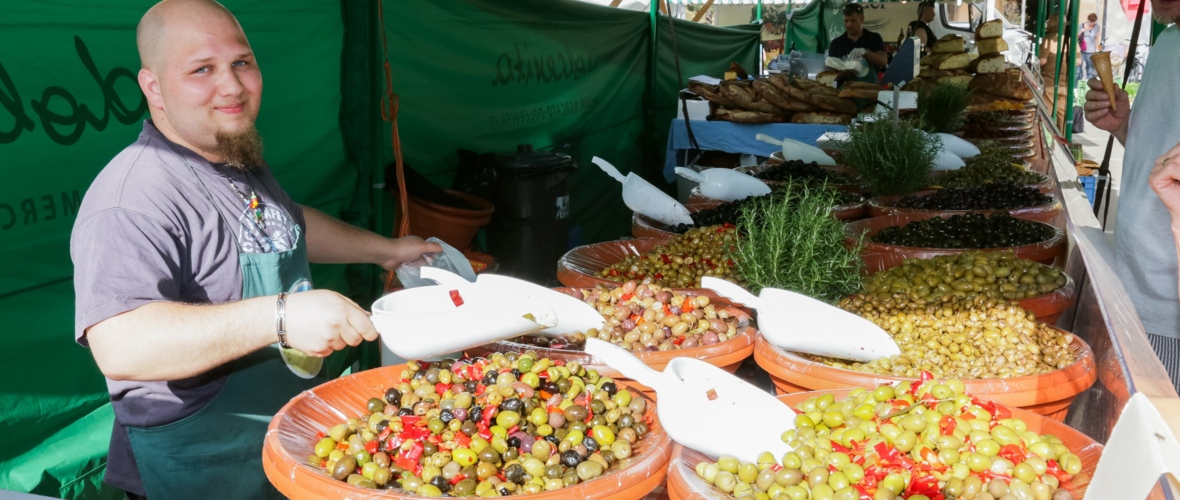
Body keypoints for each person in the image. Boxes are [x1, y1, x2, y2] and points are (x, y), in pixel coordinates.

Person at [69, 1, 441, 498]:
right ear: (153, 87)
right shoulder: (132, 197)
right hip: (203, 469)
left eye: (241, 63)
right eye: (202, 69)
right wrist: (281, 316)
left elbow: (286, 222)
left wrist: (386, 250)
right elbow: (119, 344)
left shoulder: (231, 155)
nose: (233, 86)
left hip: (280, 448)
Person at [1083, 0, 1180, 392]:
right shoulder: (1167, 44)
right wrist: (1123, 128)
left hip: (1169, 308)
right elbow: (1160, 155)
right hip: (1135, 285)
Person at [828, 3, 888, 80]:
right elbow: (831, 73)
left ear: (862, 18)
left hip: (868, 88)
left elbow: (883, 61)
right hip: (845, 89)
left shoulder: (874, 38)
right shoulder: (836, 43)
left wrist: (865, 52)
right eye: (846, 21)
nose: (849, 24)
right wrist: (843, 69)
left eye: (853, 20)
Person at [1078, 13, 1101, 80]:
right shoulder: (1081, 25)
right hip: (1081, 50)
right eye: (1090, 22)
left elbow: (1097, 39)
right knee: (1078, 71)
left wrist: (1097, 50)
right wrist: (1081, 32)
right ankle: (1076, 87)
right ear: (1087, 19)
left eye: (1093, 22)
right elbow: (1075, 37)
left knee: (1090, 71)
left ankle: (1090, 87)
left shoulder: (1097, 27)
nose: (1092, 24)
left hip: (1091, 51)